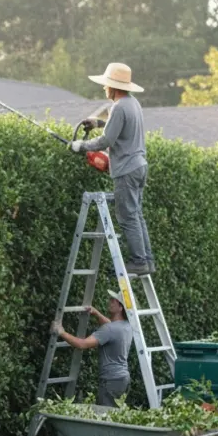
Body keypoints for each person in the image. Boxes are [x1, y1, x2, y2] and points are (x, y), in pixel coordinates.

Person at [70, 62, 154, 277]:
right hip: (139, 166)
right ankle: (147, 261)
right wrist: (97, 122)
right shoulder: (133, 104)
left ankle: (138, 262)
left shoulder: (118, 107)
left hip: (126, 169)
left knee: (127, 217)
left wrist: (81, 146)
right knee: (137, 215)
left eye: (106, 84)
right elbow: (119, 127)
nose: (104, 88)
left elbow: (107, 139)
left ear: (113, 87)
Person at [52, 290, 133, 407]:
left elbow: (82, 344)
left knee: (105, 416)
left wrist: (62, 332)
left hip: (110, 380)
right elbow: (110, 325)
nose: (109, 302)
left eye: (113, 301)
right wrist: (96, 313)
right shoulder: (126, 326)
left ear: (120, 307)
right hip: (122, 378)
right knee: (114, 413)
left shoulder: (110, 330)